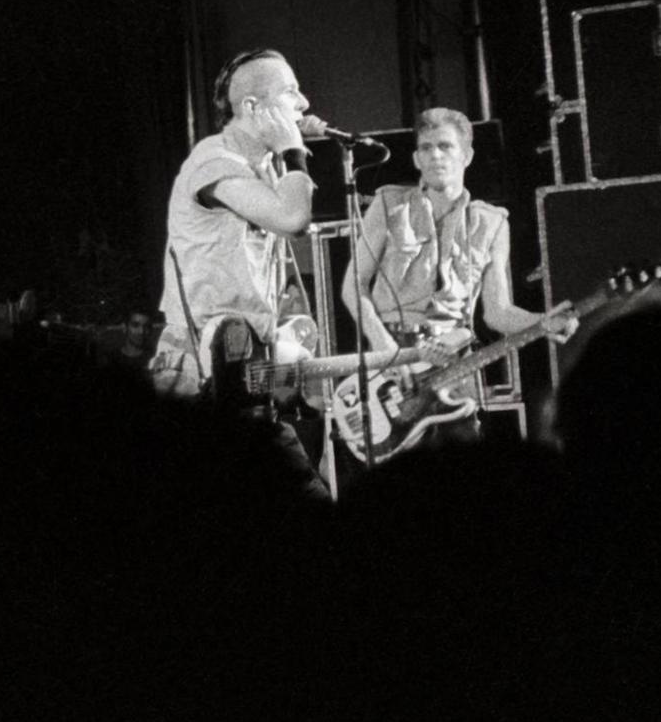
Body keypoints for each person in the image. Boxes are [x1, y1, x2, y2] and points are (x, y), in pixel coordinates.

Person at [148, 48, 326, 495]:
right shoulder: (213, 161)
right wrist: (293, 150)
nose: (303, 103)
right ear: (252, 108)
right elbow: (292, 218)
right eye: (291, 92)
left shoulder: (261, 170)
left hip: (243, 378)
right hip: (202, 384)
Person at [339, 107, 573, 447]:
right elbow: (353, 285)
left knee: (461, 477)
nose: (435, 155)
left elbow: (497, 312)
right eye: (426, 147)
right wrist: (385, 348)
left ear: (467, 155)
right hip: (395, 357)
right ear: (417, 159)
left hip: (454, 362)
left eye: (445, 146)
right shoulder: (389, 204)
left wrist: (542, 321)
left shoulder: (491, 223)